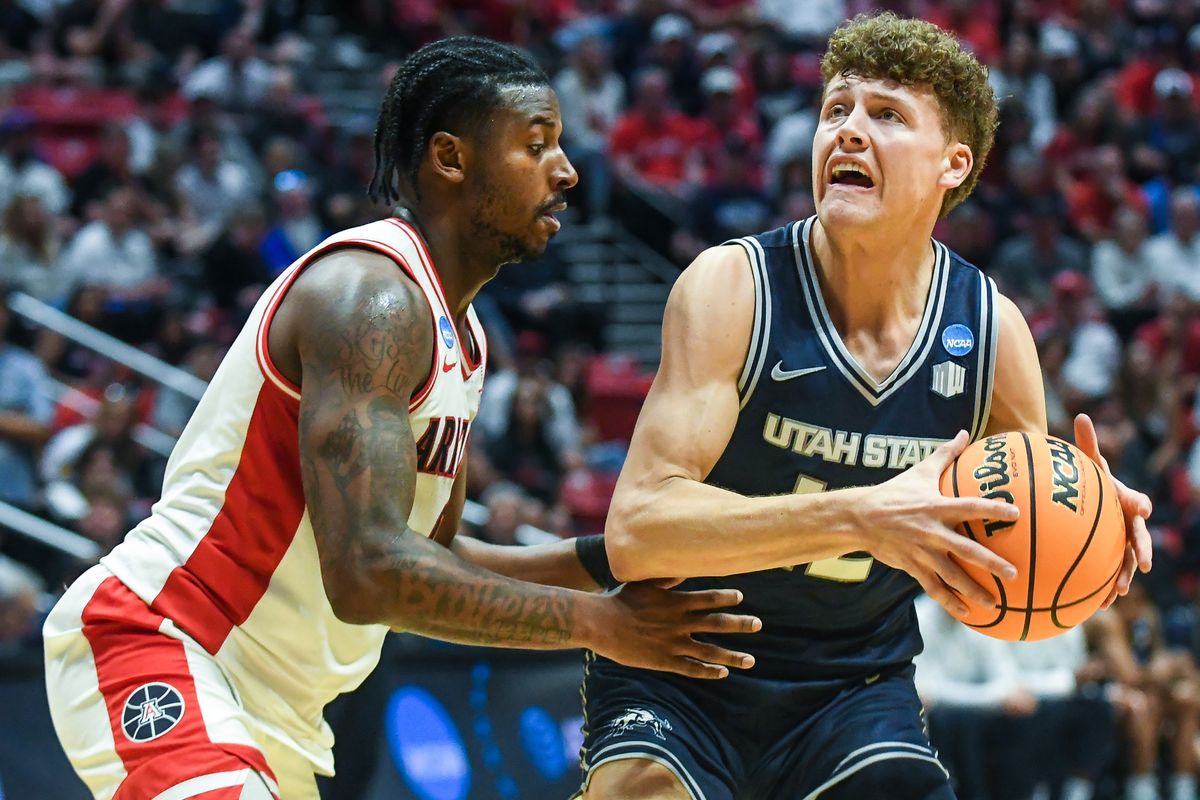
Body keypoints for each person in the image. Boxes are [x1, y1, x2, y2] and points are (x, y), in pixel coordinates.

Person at [42, 37, 761, 800]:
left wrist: (616, 557)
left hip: (278, 708)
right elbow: (372, 575)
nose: (567, 171)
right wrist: (599, 624)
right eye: (535, 145)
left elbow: (436, 558)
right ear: (451, 159)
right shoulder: (369, 298)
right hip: (168, 641)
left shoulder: (467, 338)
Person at [578, 13, 1153, 800]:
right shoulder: (733, 287)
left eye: (886, 115)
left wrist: (1091, 533)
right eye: (835, 110)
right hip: (681, 666)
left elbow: (1011, 553)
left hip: (853, 686)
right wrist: (861, 516)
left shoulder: (991, 332)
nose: (847, 131)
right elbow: (636, 532)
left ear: (954, 164)